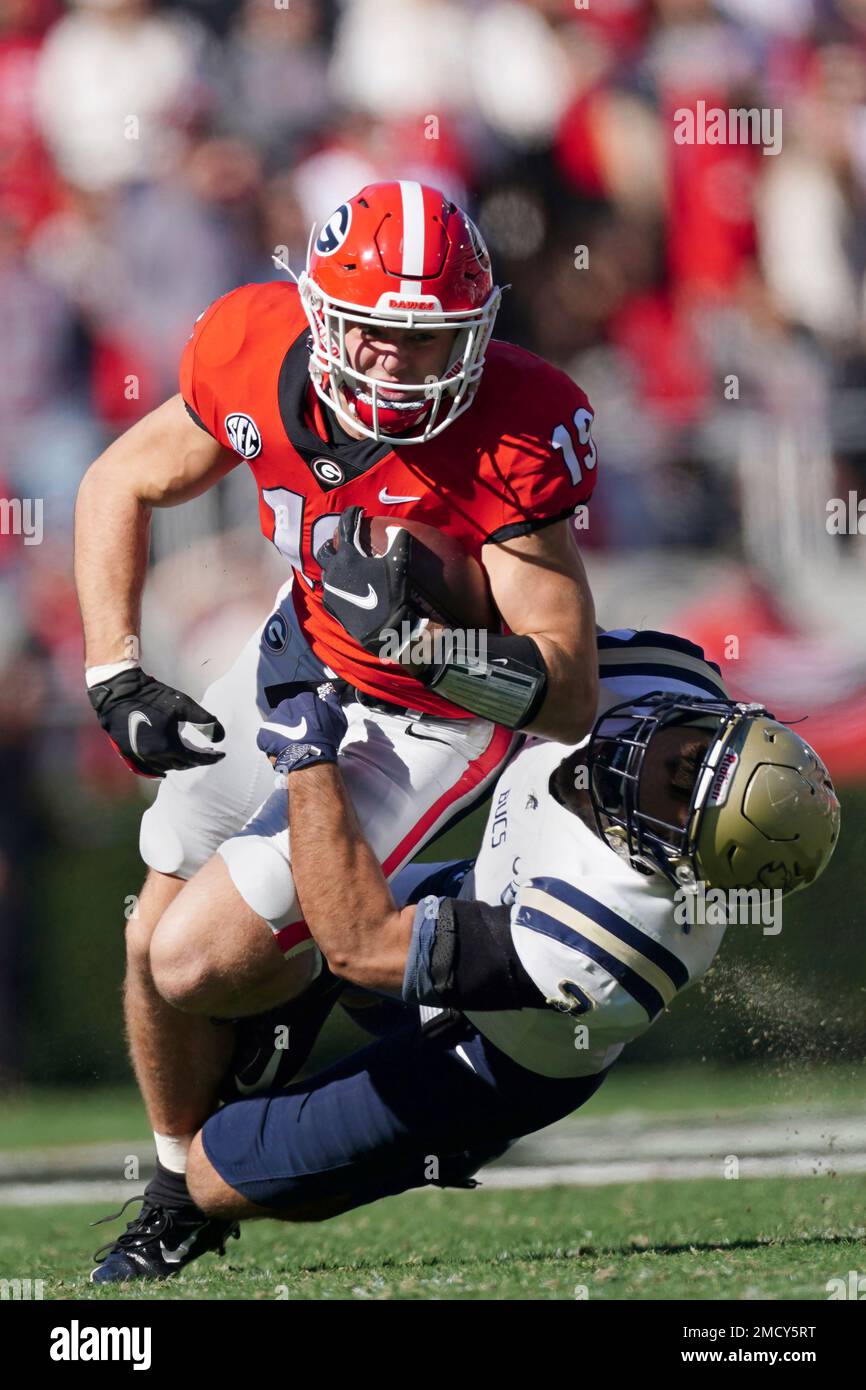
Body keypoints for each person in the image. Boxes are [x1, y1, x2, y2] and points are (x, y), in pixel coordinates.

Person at [77, 182, 601, 1280]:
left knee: (192, 959)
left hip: (426, 718)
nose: (403, 368)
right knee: (146, 943)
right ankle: (176, 1187)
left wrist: (432, 650)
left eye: (432, 341)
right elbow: (119, 478)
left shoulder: (508, 430)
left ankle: (339, 965)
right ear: (321, 316)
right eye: (379, 335)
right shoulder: (247, 348)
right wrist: (117, 672)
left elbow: (565, 693)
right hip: (295, 654)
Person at [90, 629, 840, 1273]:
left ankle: (424, 1146)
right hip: (475, 897)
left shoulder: (608, 943)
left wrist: (310, 760)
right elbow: (530, 637)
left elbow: (363, 944)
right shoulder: (672, 680)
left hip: (497, 1048)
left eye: (677, 799)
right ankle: (286, 1012)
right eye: (696, 749)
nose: (659, 765)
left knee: (214, 1172)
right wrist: (405, 630)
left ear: (683, 865)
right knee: (227, 945)